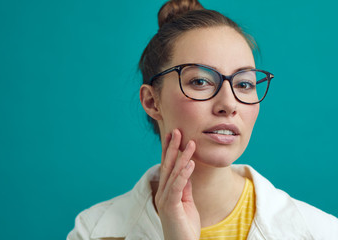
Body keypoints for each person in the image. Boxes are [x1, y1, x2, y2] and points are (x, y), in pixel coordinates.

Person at [67, 0, 338, 239]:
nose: (229, 104)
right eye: (200, 81)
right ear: (152, 102)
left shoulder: (322, 232)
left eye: (244, 84)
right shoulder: (93, 232)